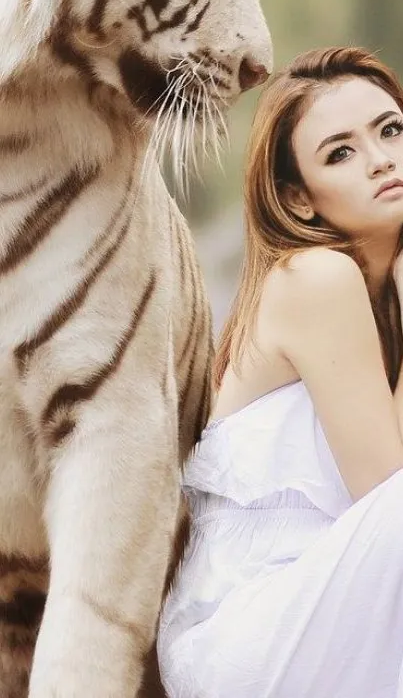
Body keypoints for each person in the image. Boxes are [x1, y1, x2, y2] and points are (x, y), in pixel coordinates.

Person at [157, 46, 403, 698]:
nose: (381, 158)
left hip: (332, 603)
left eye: (390, 129)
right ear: (297, 198)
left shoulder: (381, 298)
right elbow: (386, 495)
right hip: (248, 629)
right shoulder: (314, 278)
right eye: (340, 152)